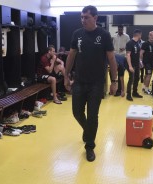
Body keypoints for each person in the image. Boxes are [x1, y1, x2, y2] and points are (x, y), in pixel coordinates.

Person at [64, 5, 117, 162]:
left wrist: (114, 81)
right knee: (77, 113)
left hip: (96, 83)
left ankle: (89, 146)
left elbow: (112, 59)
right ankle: (88, 132)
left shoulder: (104, 35)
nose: (83, 20)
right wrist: (66, 75)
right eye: (81, 17)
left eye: (86, 17)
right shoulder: (77, 34)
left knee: (93, 116)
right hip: (79, 81)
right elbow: (71, 55)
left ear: (95, 18)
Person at [125, 29, 143, 101]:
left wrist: (140, 62)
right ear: (138, 35)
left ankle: (134, 92)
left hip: (136, 64)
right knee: (131, 79)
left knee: (137, 78)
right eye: (140, 35)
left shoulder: (138, 43)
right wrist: (130, 66)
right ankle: (128, 95)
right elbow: (128, 55)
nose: (141, 36)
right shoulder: (130, 43)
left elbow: (137, 54)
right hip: (131, 64)